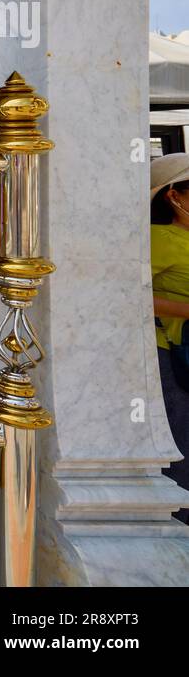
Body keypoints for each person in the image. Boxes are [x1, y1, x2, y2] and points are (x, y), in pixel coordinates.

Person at [149, 154, 189, 522]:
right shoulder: (159, 238)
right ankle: (178, 518)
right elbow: (132, 294)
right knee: (182, 438)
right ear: (173, 196)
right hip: (176, 355)